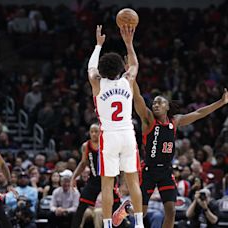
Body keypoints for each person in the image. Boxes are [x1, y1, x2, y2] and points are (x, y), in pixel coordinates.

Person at [116, 78, 228, 227]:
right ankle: (127, 208)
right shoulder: (149, 120)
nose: (156, 105)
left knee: (171, 211)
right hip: (148, 170)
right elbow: (138, 99)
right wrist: (132, 78)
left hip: (166, 171)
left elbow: (199, 113)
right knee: (143, 212)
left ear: (167, 107)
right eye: (154, 103)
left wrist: (221, 102)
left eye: (160, 102)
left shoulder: (175, 121)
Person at [87, 24, 143, 228]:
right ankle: (139, 224)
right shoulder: (128, 81)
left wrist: (98, 45)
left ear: (103, 70)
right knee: (133, 181)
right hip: (127, 134)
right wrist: (128, 43)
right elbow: (135, 64)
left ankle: (108, 225)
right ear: (122, 68)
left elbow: (90, 68)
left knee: (107, 184)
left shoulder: (97, 83)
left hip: (108, 137)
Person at [70, 123, 122, 228]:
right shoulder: (86, 146)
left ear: (101, 133)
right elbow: (83, 163)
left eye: (96, 131)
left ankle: (125, 225)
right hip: (93, 180)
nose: (93, 134)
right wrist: (73, 177)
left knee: (117, 208)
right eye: (91, 132)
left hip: (108, 179)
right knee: (81, 208)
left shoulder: (107, 144)